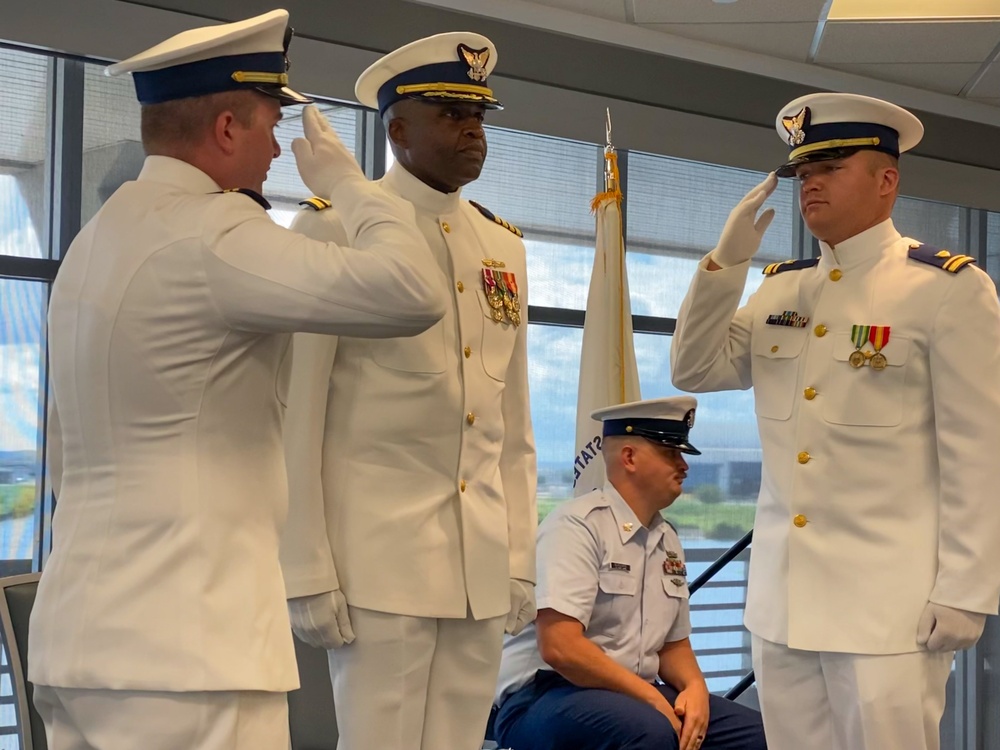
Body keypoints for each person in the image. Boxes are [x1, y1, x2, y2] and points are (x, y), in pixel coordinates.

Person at [28, 10, 448, 750]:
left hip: (79, 643)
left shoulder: (93, 244)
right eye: (268, 126)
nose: (279, 149)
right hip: (191, 652)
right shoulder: (214, 234)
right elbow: (413, 292)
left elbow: (65, 448)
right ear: (226, 128)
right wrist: (353, 189)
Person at [670, 92, 1000, 750]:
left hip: (889, 611)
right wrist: (723, 265)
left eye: (831, 166)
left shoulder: (946, 290)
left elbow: (980, 453)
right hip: (783, 607)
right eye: (802, 172)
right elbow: (694, 368)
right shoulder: (781, 288)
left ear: (886, 181)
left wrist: (968, 590)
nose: (810, 183)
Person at [278, 31, 537, 750]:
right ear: (396, 131)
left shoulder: (504, 248)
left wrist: (520, 557)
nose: (473, 132)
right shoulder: (333, 232)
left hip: (478, 563)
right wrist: (305, 565)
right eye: (452, 116)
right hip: (377, 563)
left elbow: (511, 421)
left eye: (480, 117)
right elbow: (298, 412)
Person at [493, 396, 768, 750]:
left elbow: (672, 645)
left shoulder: (666, 537)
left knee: (759, 737)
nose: (684, 465)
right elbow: (560, 647)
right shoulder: (577, 526)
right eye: (671, 453)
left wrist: (695, 688)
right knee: (650, 731)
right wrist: (652, 699)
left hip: (631, 692)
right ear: (629, 458)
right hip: (546, 693)